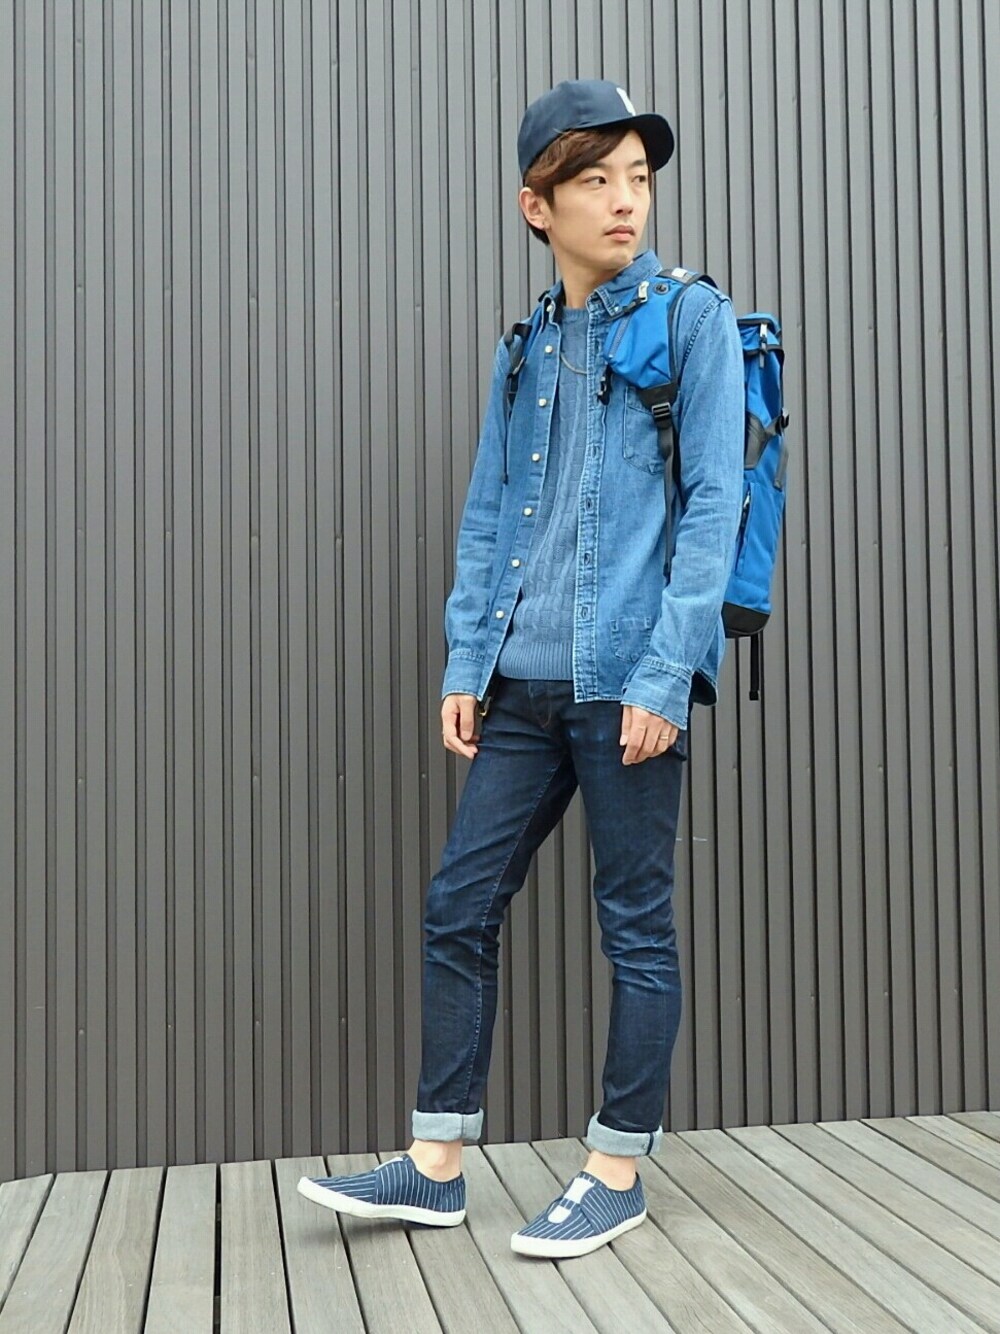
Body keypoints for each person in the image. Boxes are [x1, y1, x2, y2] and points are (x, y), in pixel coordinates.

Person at [299, 78, 744, 1259]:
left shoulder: (691, 319)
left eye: (637, 177)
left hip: (625, 679)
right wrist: (467, 656)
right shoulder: (527, 344)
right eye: (595, 178)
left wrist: (665, 675)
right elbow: (491, 512)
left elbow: (715, 507)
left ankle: (615, 1168)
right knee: (459, 902)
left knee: (634, 926)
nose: (624, 199)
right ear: (536, 205)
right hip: (521, 684)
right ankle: (437, 1163)